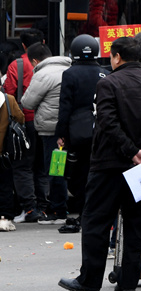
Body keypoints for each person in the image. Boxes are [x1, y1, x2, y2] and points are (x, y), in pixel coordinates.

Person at [58, 37, 141, 291]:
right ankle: (128, 282)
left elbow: (108, 123)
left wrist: (132, 152)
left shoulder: (108, 83)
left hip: (108, 164)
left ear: (117, 57)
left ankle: (90, 280)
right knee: (135, 223)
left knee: (97, 221)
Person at [55, 35, 108, 233]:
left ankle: (84, 211)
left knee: (78, 174)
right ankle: (95, 211)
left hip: (77, 133)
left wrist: (61, 133)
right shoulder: (104, 73)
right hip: (101, 131)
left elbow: (64, 107)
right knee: (96, 172)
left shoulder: (70, 74)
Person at [20, 43, 71, 224]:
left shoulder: (42, 75)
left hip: (52, 131)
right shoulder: (70, 68)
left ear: (34, 60)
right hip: (73, 129)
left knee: (56, 169)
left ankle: (58, 211)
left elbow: (27, 102)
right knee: (70, 169)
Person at [5, 28, 46, 223]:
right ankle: (45, 207)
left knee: (22, 166)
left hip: (25, 120)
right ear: (44, 42)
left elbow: (9, 93)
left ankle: (30, 209)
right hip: (48, 123)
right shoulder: (53, 64)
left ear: (23, 45)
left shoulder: (17, 65)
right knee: (43, 165)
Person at [0, 88, 26, 231]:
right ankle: (4, 218)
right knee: (5, 185)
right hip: (5, 152)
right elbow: (20, 117)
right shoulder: (9, 99)